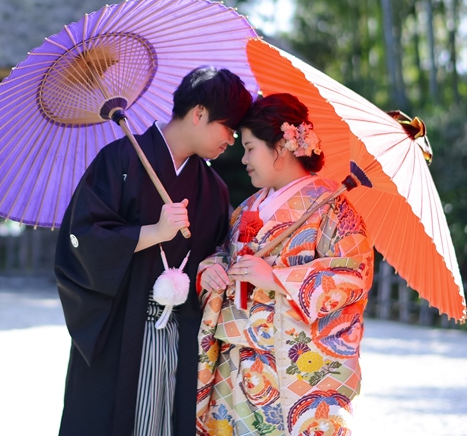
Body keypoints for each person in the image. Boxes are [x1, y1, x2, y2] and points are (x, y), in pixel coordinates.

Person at [55, 66, 253, 436]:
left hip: (179, 333)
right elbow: (82, 237)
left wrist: (211, 268)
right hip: (119, 328)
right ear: (199, 114)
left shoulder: (214, 189)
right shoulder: (119, 161)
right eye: (230, 128)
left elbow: (216, 252)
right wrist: (153, 232)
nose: (233, 140)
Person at [195, 93, 374, 436]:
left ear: (282, 145)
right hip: (233, 366)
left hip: (290, 368)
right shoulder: (248, 206)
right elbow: (223, 252)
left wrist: (276, 278)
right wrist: (213, 268)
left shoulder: (331, 207)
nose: (244, 158)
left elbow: (354, 274)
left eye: (250, 148)